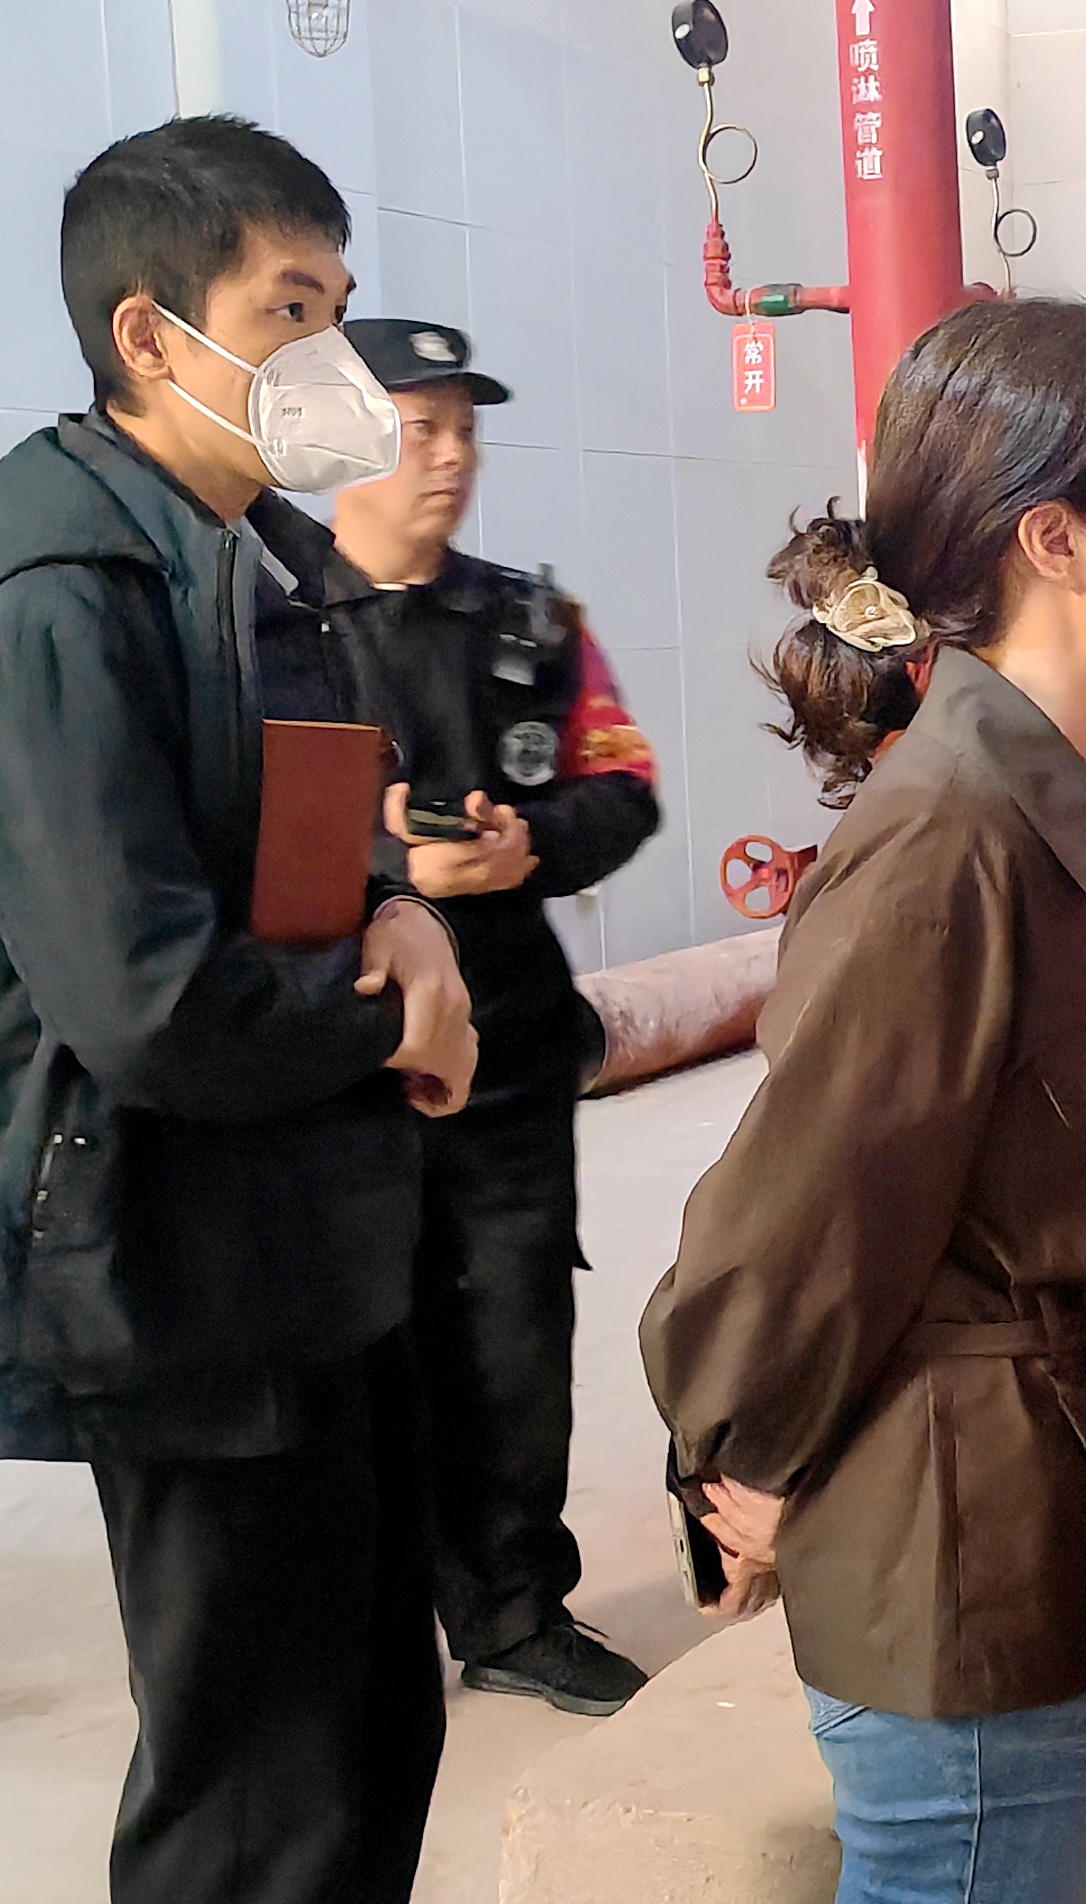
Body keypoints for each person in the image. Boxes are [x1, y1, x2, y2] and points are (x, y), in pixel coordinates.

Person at [0, 116, 476, 1904]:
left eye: (338, 307)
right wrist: (390, 1025)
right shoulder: (61, 606)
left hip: (301, 1231)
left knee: (364, 1727)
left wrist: (402, 915)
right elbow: (147, 999)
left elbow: (310, 840)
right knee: (254, 1789)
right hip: (172, 1260)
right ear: (147, 333)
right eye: (291, 310)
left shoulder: (254, 562)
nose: (333, 358)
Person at [640, 298, 1086, 1904]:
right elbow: (805, 1207)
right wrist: (741, 1457)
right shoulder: (948, 839)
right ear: (1056, 540)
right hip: (967, 1543)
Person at [306, 317, 660, 1716]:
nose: (451, 456)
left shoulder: (535, 625)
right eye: (420, 428)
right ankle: (359, 1629)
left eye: (465, 430)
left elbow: (621, 787)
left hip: (507, 1053)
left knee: (513, 1343)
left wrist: (530, 849)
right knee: (354, 1353)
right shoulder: (274, 622)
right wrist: (387, 865)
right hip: (344, 1064)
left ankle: (516, 1614)